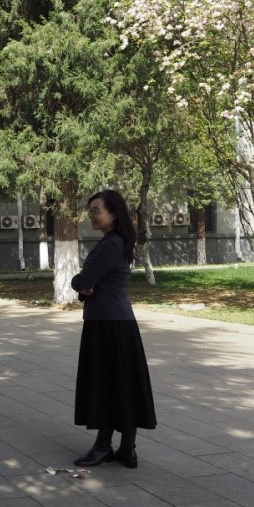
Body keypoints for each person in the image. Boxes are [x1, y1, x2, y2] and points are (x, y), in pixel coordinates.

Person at [71, 189, 156, 469]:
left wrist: (80, 284)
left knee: (106, 383)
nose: (91, 216)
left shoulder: (111, 245)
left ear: (114, 214)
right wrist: (87, 286)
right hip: (117, 322)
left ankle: (104, 446)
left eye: (96, 210)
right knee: (121, 384)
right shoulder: (117, 242)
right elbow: (92, 282)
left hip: (107, 325)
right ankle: (127, 449)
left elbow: (83, 280)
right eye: (90, 211)